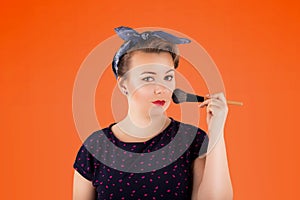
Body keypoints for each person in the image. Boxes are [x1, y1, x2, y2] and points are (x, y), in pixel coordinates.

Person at [72, 26, 233, 200]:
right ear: (123, 85)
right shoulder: (95, 148)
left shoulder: (191, 140)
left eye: (168, 77)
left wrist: (217, 129)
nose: (161, 88)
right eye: (148, 78)